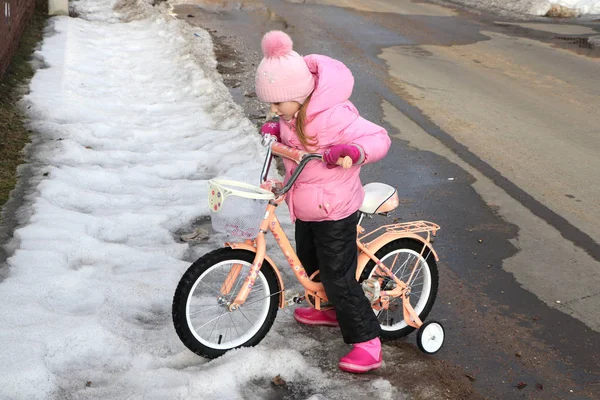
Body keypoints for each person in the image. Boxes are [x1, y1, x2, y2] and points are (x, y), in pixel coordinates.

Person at [255, 30, 391, 373]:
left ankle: (367, 341)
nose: (274, 110)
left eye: (277, 103)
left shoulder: (334, 115)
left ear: (298, 94)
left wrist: (353, 151)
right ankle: (328, 310)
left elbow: (378, 137)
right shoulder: (291, 116)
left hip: (335, 207)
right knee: (310, 262)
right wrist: (274, 129)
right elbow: (292, 142)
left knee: (337, 275)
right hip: (305, 206)